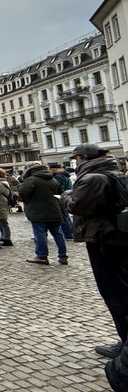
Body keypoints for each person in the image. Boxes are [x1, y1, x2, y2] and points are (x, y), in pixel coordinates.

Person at [62, 143, 128, 366]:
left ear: (82, 158)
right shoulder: (115, 172)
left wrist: (67, 196)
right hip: (118, 235)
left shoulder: (93, 178)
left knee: (113, 291)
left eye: (76, 159)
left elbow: (79, 206)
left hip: (102, 238)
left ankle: (126, 342)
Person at [19, 160, 67, 265]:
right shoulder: (53, 179)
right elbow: (60, 193)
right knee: (58, 234)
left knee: (40, 234)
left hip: (38, 212)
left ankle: (42, 256)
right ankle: (63, 256)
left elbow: (23, 194)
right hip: (54, 210)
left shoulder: (31, 180)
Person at [0, 168, 15, 246]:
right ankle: (3, 237)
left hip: (1, 204)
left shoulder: (0, 183)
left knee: (3, 222)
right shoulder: (1, 182)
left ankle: (7, 239)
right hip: (0, 203)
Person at [51, 164, 74, 240]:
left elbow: (58, 188)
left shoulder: (58, 176)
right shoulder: (64, 175)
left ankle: (68, 234)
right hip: (66, 197)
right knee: (66, 216)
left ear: (54, 169)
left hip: (61, 197)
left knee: (63, 217)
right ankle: (71, 232)